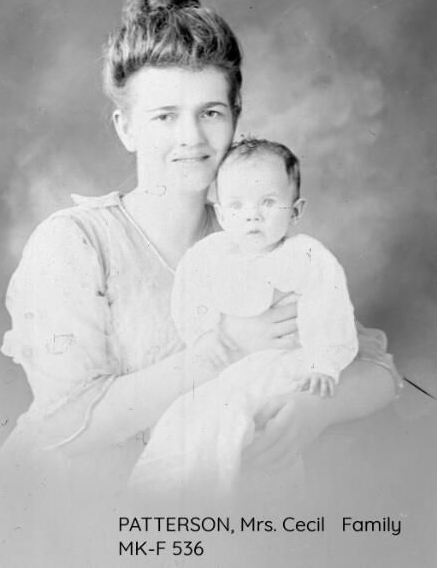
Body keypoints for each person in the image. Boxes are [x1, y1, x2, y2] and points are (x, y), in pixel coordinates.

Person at [0, 0, 400, 508]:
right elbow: (66, 426)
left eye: (210, 112)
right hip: (63, 513)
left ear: (236, 117)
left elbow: (378, 368)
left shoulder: (258, 239)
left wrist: (316, 408)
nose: (191, 137)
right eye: (165, 116)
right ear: (126, 127)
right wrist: (227, 346)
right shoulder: (75, 243)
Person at [128, 137, 359, 498]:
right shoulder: (210, 255)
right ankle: (171, 496)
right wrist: (203, 334)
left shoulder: (306, 256)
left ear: (295, 210)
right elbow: (191, 297)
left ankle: (232, 499)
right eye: (237, 205)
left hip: (287, 363)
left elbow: (329, 308)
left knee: (246, 420)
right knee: (190, 416)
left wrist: (323, 363)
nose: (253, 215)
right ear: (221, 215)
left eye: (268, 202)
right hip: (229, 368)